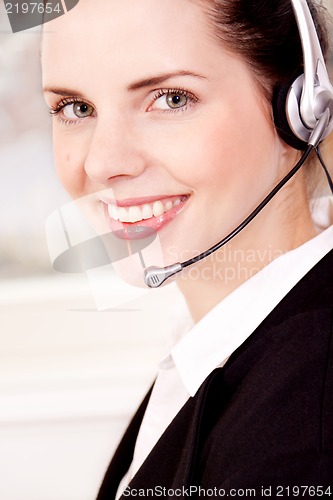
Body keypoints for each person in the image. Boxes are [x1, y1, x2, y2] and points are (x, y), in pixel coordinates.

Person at [41, 0, 333, 497]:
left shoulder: (306, 426)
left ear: (301, 109)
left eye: (171, 99)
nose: (103, 162)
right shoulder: (220, 345)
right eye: (76, 108)